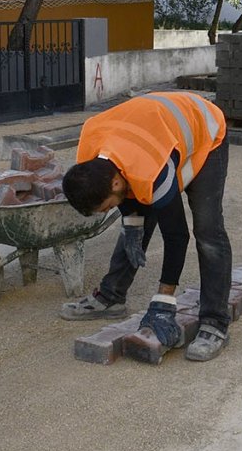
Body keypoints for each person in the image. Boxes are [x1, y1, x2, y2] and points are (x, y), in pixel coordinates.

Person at [60, 91, 232, 362]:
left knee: (207, 231)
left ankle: (215, 322)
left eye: (105, 207)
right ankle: (111, 297)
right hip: (153, 135)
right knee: (134, 222)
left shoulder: (150, 169)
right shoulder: (93, 159)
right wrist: (132, 227)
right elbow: (129, 201)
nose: (107, 211)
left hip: (205, 131)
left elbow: (177, 237)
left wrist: (163, 303)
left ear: (115, 182)